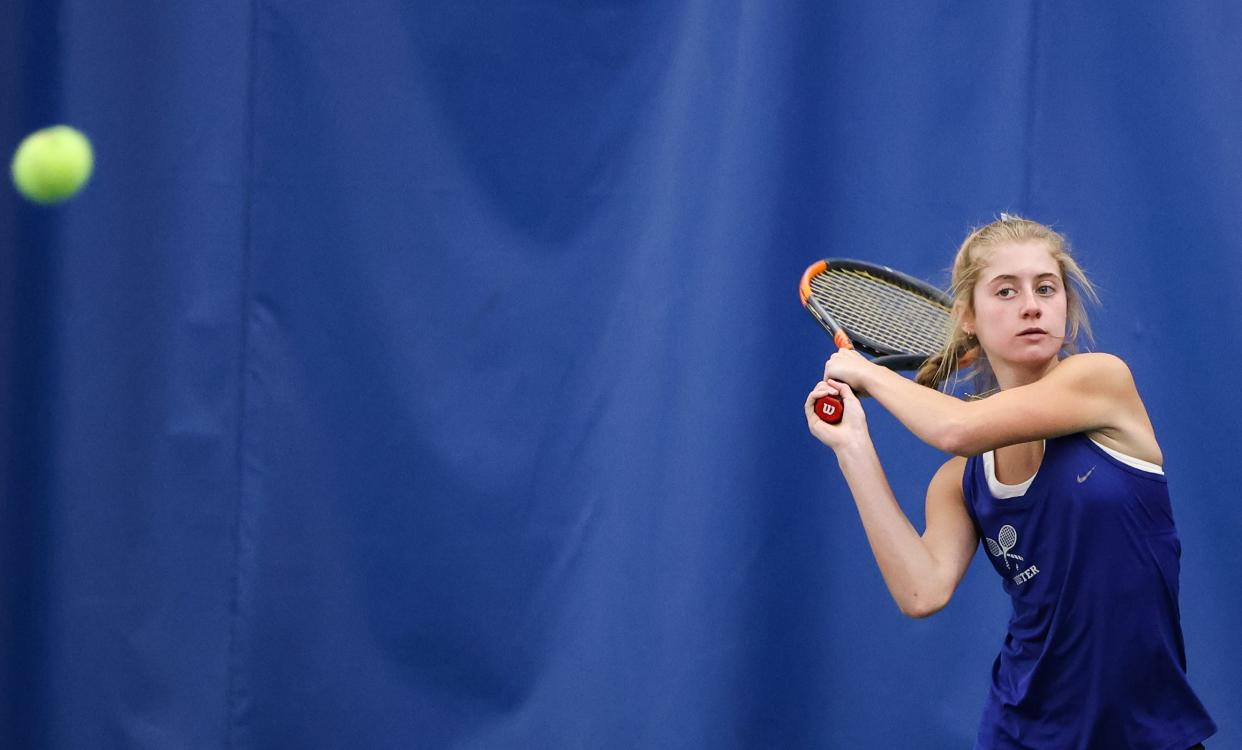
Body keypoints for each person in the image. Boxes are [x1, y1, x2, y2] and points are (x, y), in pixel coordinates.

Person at [803, 215, 1216, 749]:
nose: (1031, 304)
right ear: (968, 318)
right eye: (1006, 290)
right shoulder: (961, 481)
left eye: (1047, 288)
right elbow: (920, 590)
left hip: (1149, 733)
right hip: (1022, 733)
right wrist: (852, 447)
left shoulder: (1102, 381)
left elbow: (955, 428)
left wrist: (865, 372)